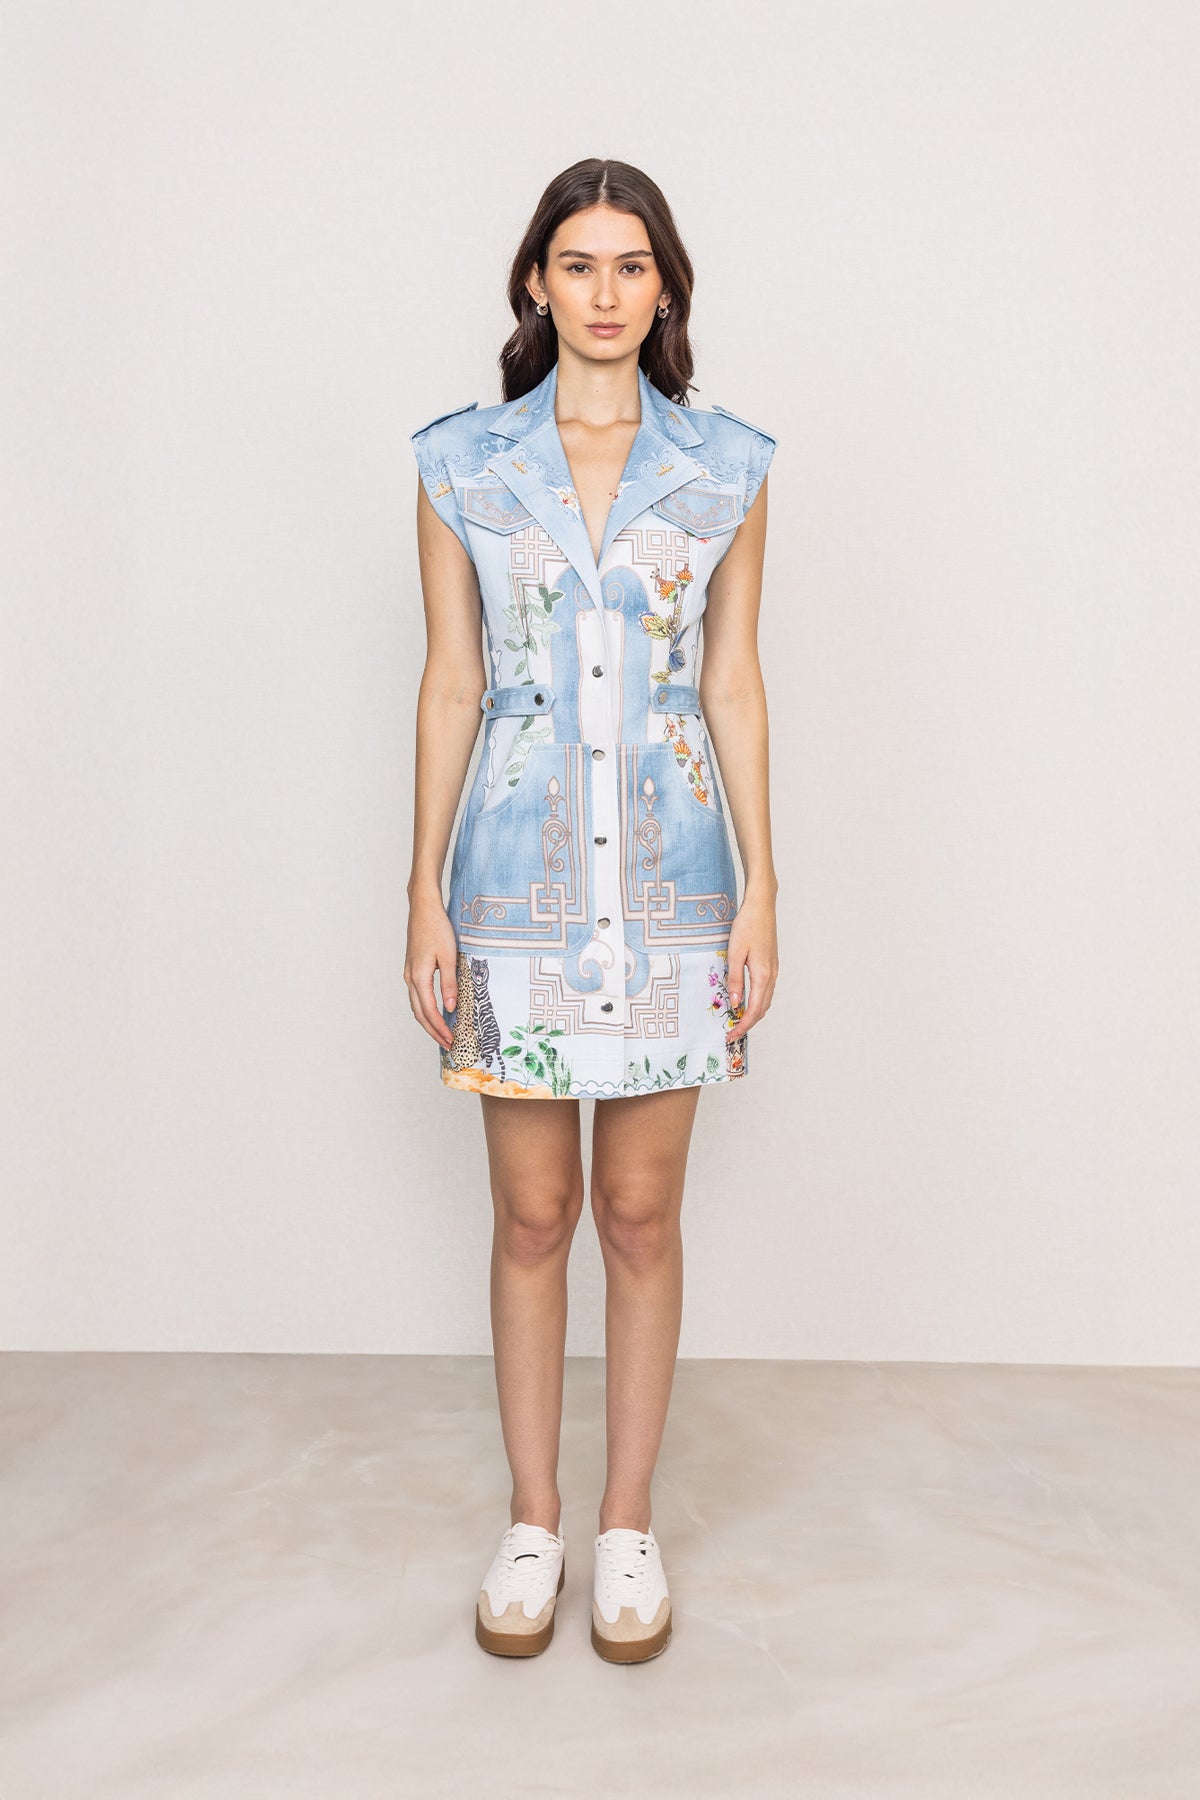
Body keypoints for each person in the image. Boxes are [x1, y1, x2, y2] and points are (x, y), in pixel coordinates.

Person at [405, 158, 779, 1663]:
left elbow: (732, 682)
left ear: (664, 284)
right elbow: (452, 682)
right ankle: (534, 1520)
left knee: (638, 1212)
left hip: (678, 882)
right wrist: (421, 896)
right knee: (533, 1211)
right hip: (512, 881)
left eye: (631, 265)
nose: (606, 292)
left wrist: (764, 890)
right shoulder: (461, 467)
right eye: (579, 264)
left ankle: (627, 1526)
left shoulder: (728, 467)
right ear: (536, 283)